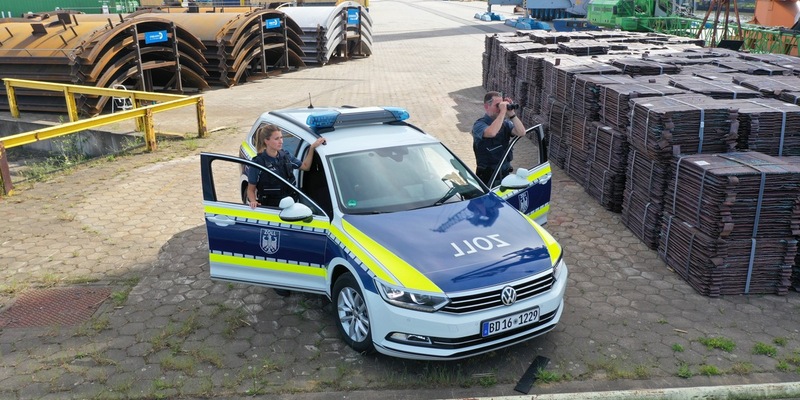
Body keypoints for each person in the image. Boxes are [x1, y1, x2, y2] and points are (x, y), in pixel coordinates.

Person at [246, 124, 326, 209]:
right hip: (271, 209)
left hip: (291, 206)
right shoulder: (258, 163)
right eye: (277, 139)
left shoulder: (286, 156)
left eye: (281, 137)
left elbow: (305, 166)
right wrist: (253, 201)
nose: (281, 141)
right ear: (266, 141)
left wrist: (312, 148)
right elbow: (251, 189)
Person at [472, 91, 526, 186]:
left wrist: (512, 114)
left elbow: (521, 132)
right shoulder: (479, 125)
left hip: (505, 175)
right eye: (497, 105)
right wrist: (502, 112)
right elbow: (492, 132)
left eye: (501, 105)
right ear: (486, 106)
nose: (500, 108)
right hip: (488, 178)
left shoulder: (505, 124)